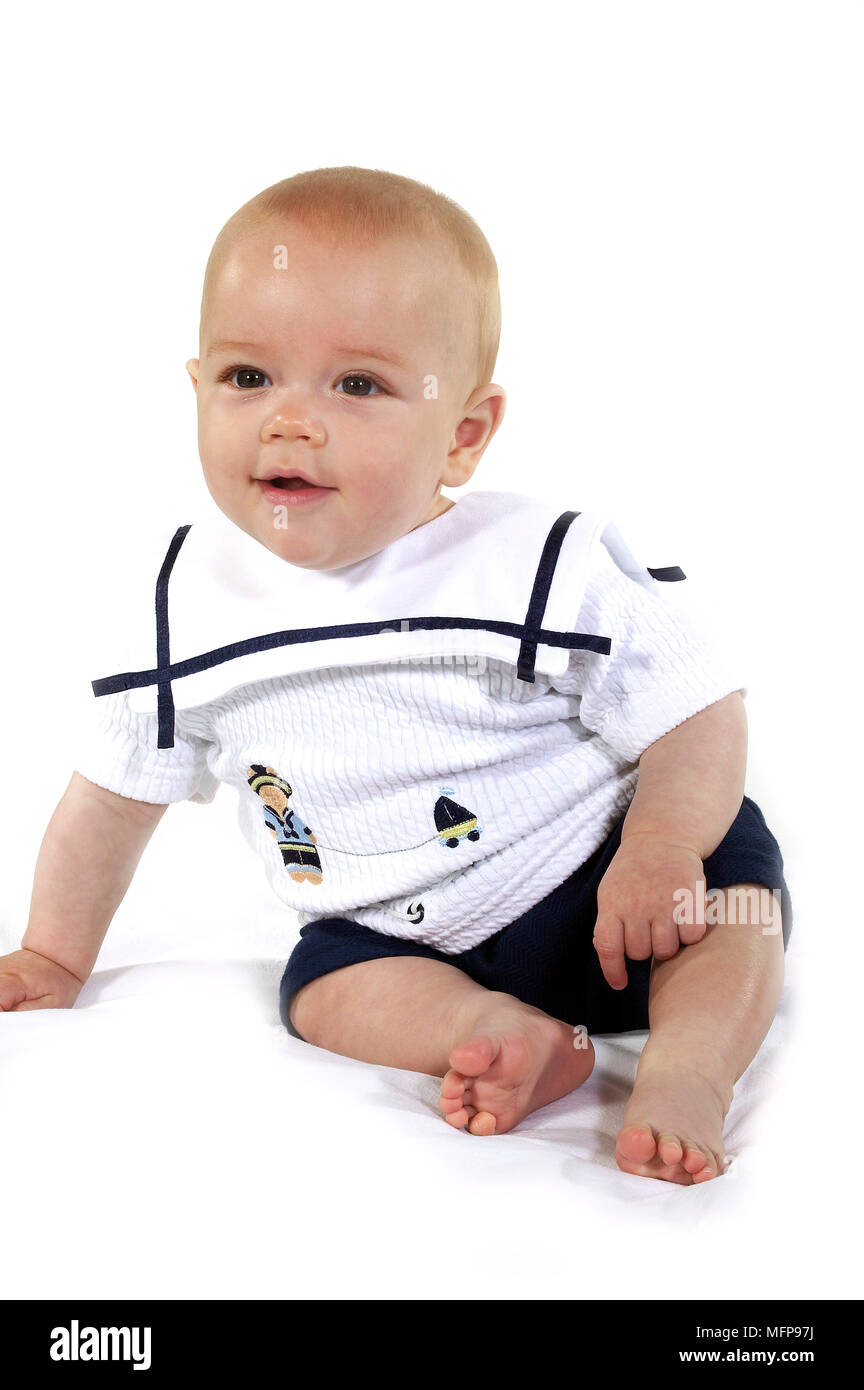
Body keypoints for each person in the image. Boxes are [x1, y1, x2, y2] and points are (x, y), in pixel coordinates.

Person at [0, 167, 791, 1185]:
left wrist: (665, 843)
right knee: (320, 989)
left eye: (357, 385)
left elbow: (695, 701)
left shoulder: (537, 561)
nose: (291, 421)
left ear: (462, 434)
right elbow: (105, 805)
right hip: (391, 935)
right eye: (249, 378)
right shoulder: (179, 606)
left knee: (735, 908)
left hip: (605, 879)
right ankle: (497, 1031)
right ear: (195, 390)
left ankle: (688, 1071)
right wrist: (54, 954)